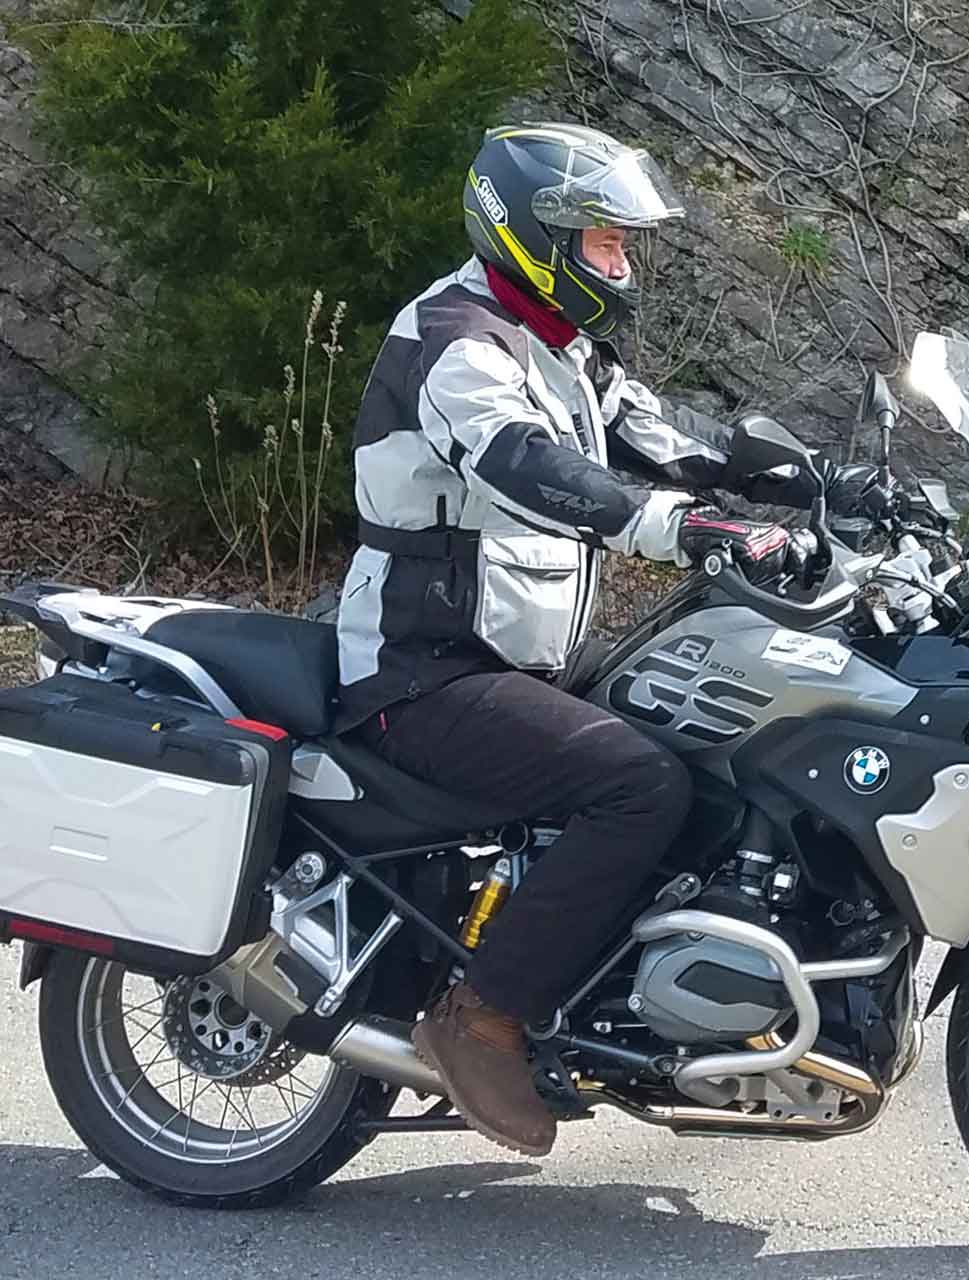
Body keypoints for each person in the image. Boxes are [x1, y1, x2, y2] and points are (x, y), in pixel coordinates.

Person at [333, 122, 864, 1158]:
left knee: (714, 741)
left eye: (623, 245)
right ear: (540, 234)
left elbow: (678, 442)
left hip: (513, 660)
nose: (620, 265)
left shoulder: (557, 346)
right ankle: (480, 1014)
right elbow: (527, 464)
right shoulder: (455, 340)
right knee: (639, 784)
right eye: (606, 243)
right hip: (422, 670)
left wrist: (831, 486)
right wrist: (678, 525)